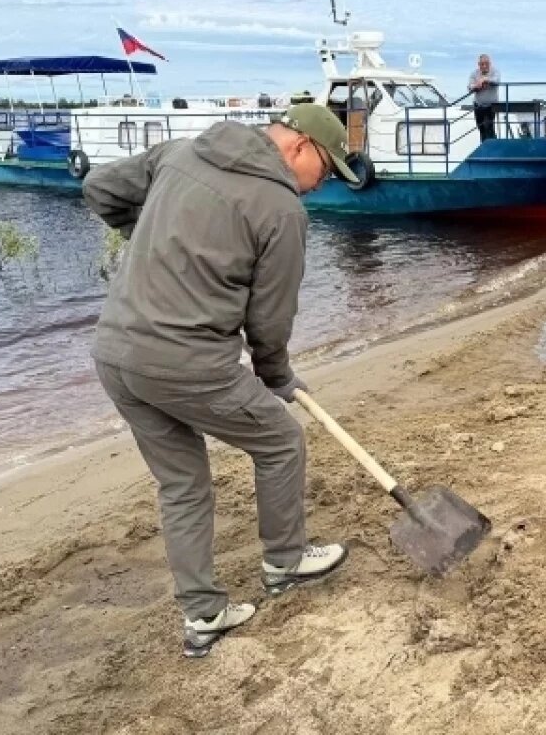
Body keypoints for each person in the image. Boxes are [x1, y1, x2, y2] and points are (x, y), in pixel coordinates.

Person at [83, 103, 360, 654]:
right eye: (325, 171)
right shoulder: (281, 208)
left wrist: (156, 241)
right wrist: (277, 377)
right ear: (299, 146)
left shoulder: (182, 152)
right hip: (185, 362)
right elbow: (270, 319)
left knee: (182, 485)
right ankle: (285, 562)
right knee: (281, 441)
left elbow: (99, 188)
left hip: (115, 354)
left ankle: (204, 615)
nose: (319, 186)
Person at [468, 54, 500, 141]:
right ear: (479, 64)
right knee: (481, 129)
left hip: (491, 106)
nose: (484, 66)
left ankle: (492, 146)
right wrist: (476, 86)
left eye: (486, 63)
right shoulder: (474, 73)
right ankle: (484, 145)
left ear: (490, 63)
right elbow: (470, 86)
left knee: (489, 128)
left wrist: (485, 80)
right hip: (478, 105)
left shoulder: (495, 72)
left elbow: (496, 80)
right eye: (482, 64)